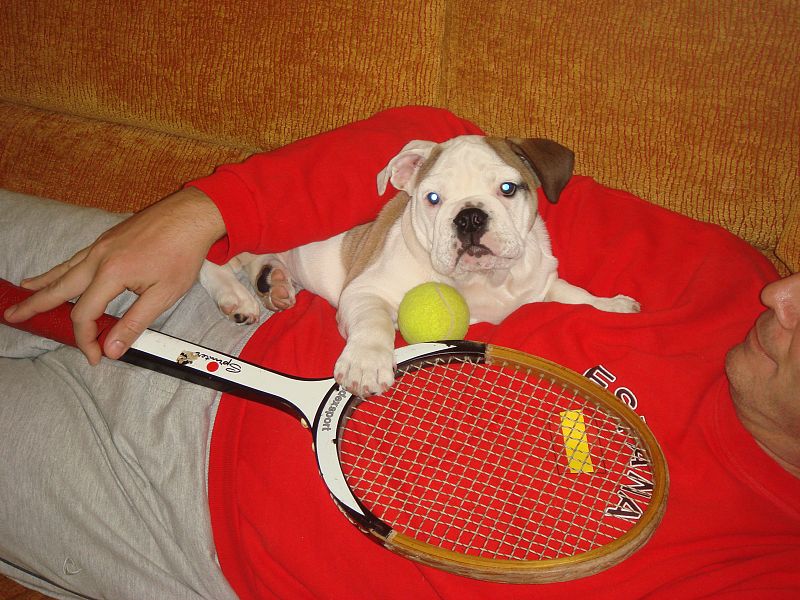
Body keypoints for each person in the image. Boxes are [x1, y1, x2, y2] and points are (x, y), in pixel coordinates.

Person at [1, 106, 798, 599]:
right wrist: (206, 210)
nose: (785, 297)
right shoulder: (731, 284)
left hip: (191, 530)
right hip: (218, 298)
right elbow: (443, 141)